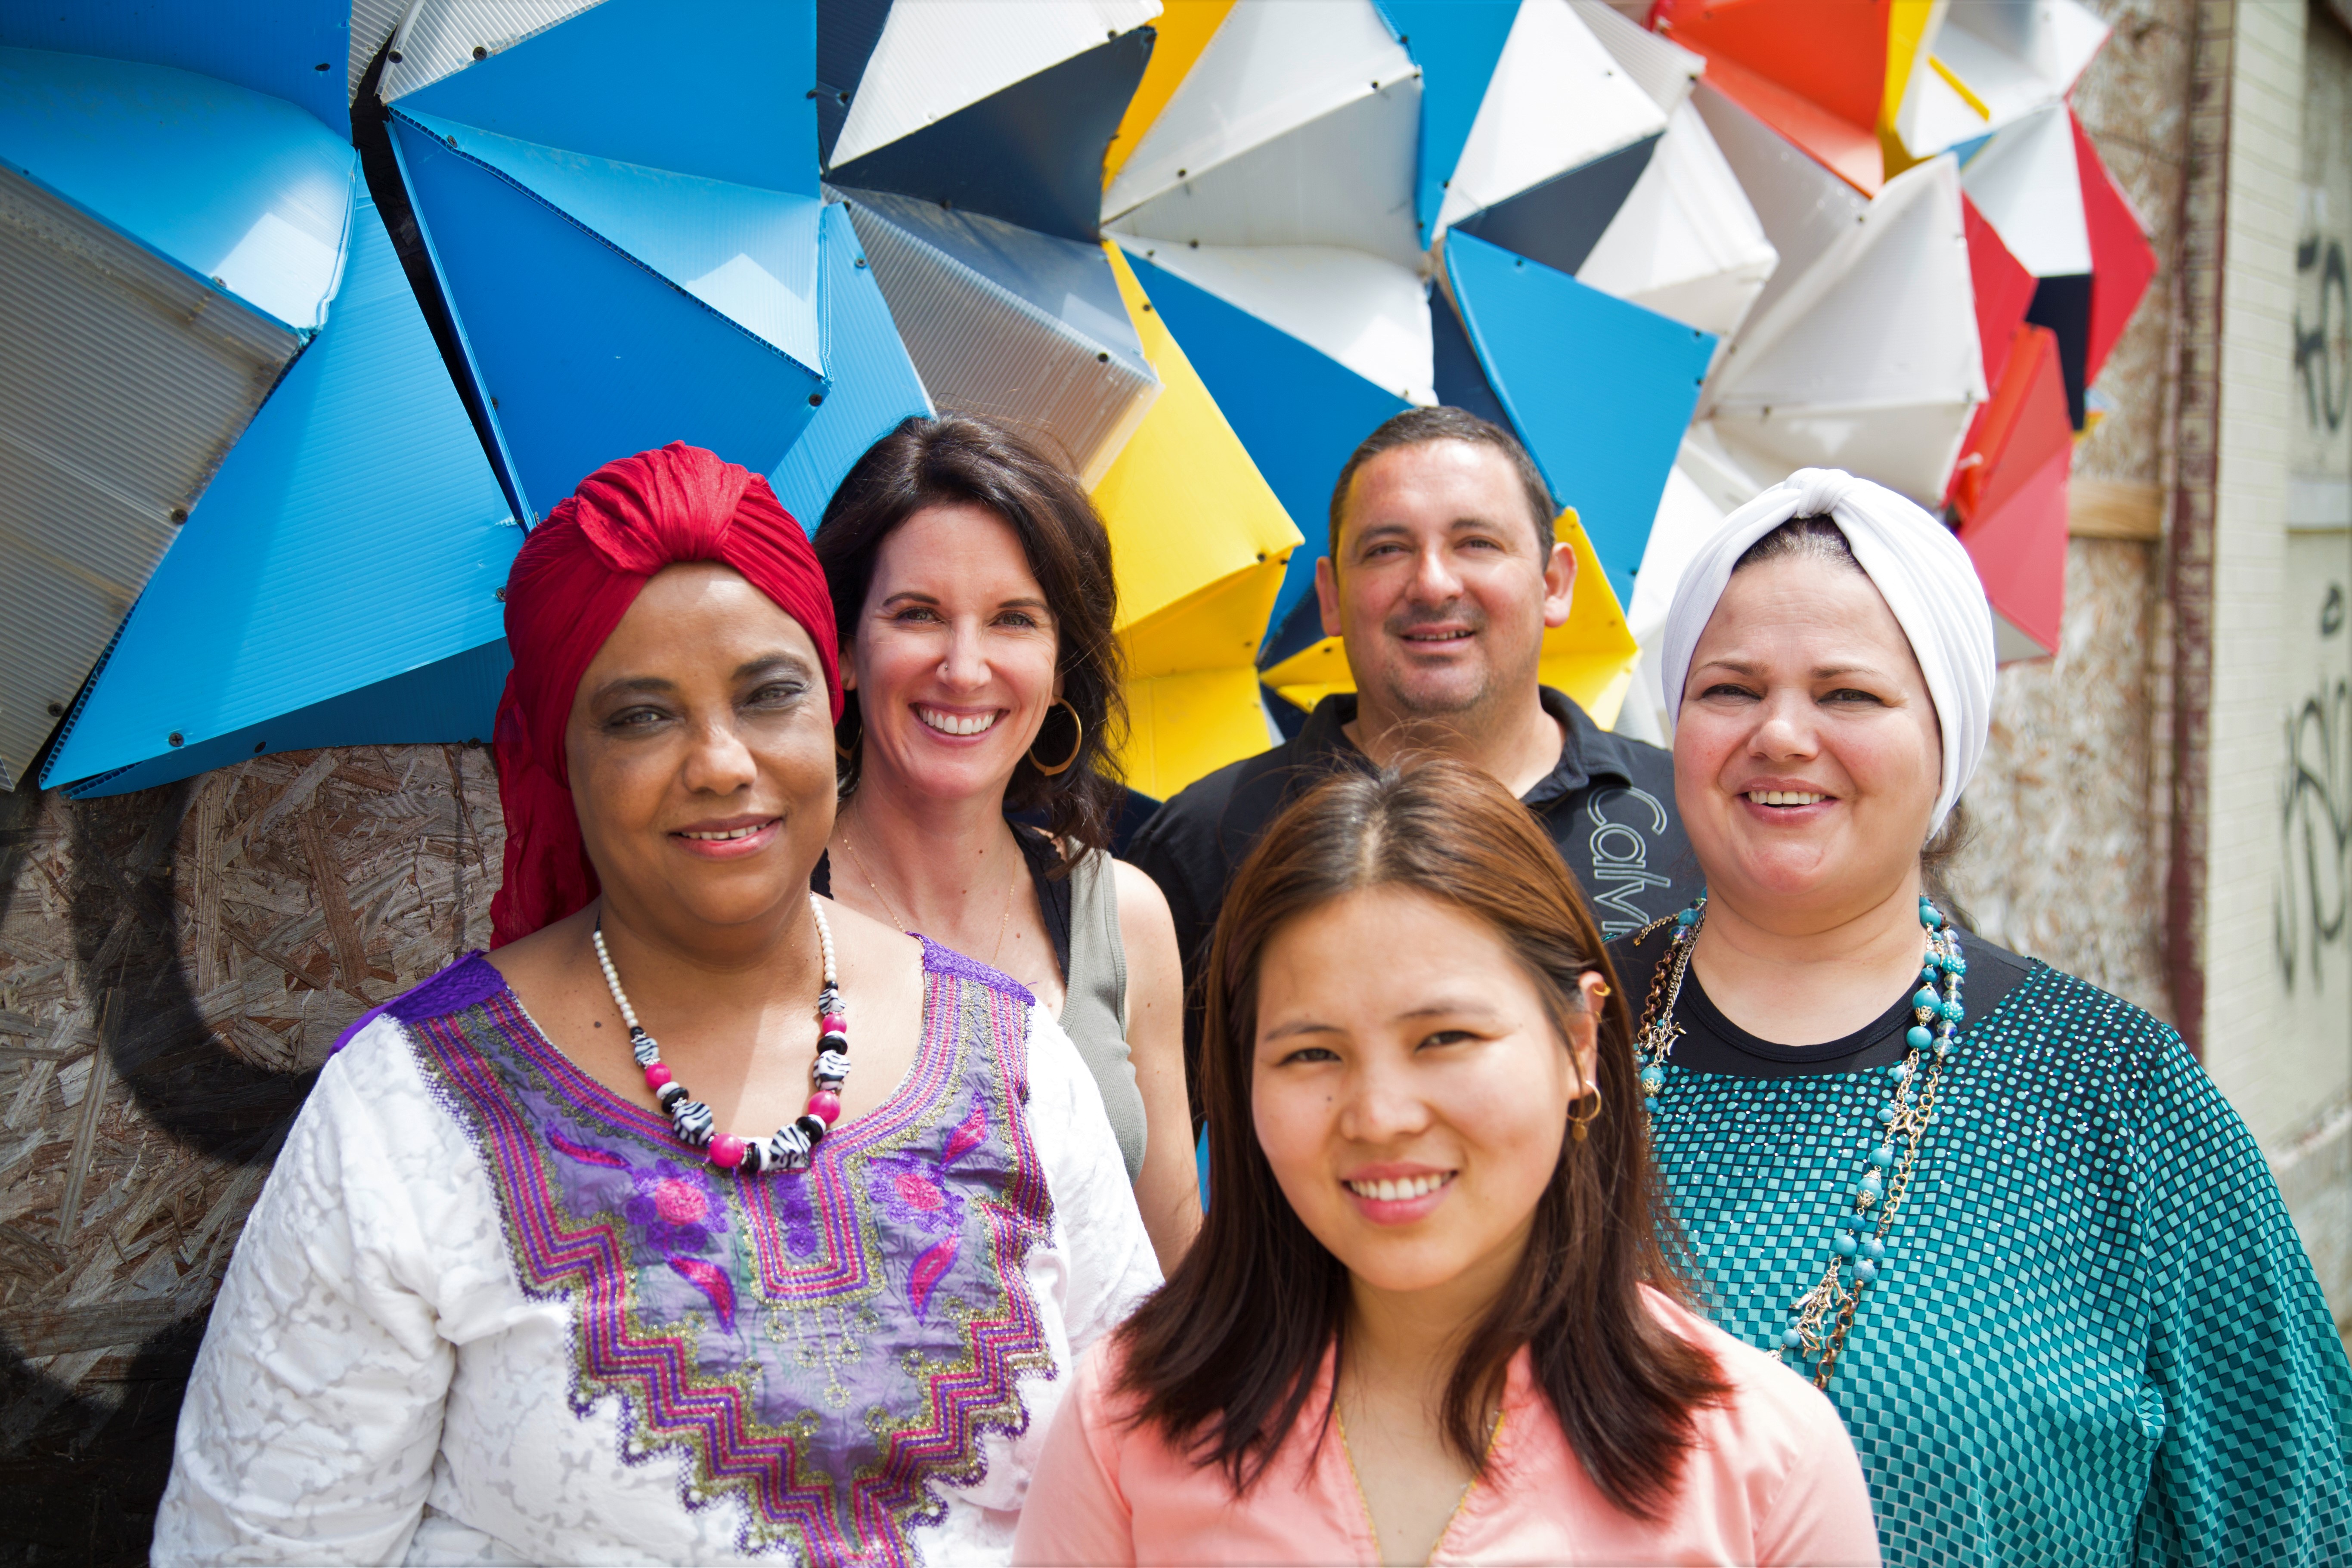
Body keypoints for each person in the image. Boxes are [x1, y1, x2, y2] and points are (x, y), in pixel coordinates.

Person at [153, 444, 1159, 1565]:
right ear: (556, 757)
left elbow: (1146, 1489)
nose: (723, 760)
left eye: (767, 694)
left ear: (829, 702)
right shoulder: (408, 1118)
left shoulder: (1015, 1062)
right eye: (641, 716)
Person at [1611, 467, 2352, 1564]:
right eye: (1729, 689)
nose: (1779, 734)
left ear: (1947, 738)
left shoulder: (2113, 1096)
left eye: (1847, 695)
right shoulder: (1551, 1038)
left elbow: (2288, 1514)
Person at [1014, 760, 1881, 1567]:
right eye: (1312, 1055)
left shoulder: (1765, 1463)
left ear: (1578, 1041)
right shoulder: (1125, 1424)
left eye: (1445, 1039)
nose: (1381, 1117)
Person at [1124, 407, 1703, 1124]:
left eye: (1477, 542)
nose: (1432, 583)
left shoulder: (1692, 814)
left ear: (1555, 583)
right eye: (1388, 549)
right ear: (1333, 598)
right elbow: (1137, 1170)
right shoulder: (1208, 838)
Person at [812, 416, 1197, 1271]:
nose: (962, 666)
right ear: (842, 649)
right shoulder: (762, 908)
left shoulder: (1124, 917)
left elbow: (1170, 1281)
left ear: (1062, 665)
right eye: (917, 614)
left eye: (1012, 621)